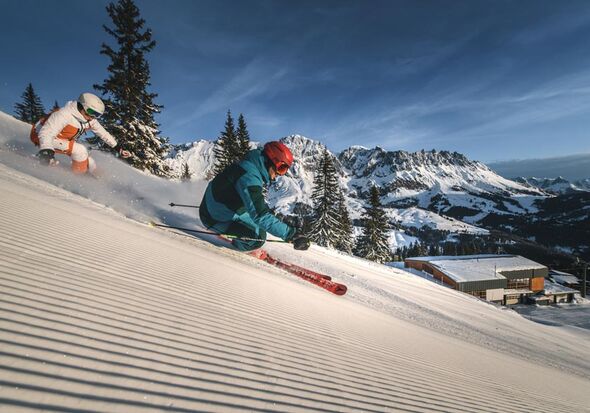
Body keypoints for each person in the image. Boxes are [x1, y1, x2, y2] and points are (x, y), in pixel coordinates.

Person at [199, 141, 310, 252]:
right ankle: (234, 248)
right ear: (271, 160)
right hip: (213, 218)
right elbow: (260, 215)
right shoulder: (249, 176)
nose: (280, 174)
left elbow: (255, 203)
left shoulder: (250, 167)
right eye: (282, 168)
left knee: (262, 226)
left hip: (220, 208)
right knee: (258, 238)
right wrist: (291, 234)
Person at [30, 92, 130, 174]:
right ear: (82, 106)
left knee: (89, 160)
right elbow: (47, 132)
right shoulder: (65, 114)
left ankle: (93, 174)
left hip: (60, 138)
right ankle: (79, 178)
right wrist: (46, 150)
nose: (93, 116)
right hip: (40, 136)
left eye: (97, 115)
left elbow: (103, 133)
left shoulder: (90, 120)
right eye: (91, 111)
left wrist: (118, 148)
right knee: (80, 150)